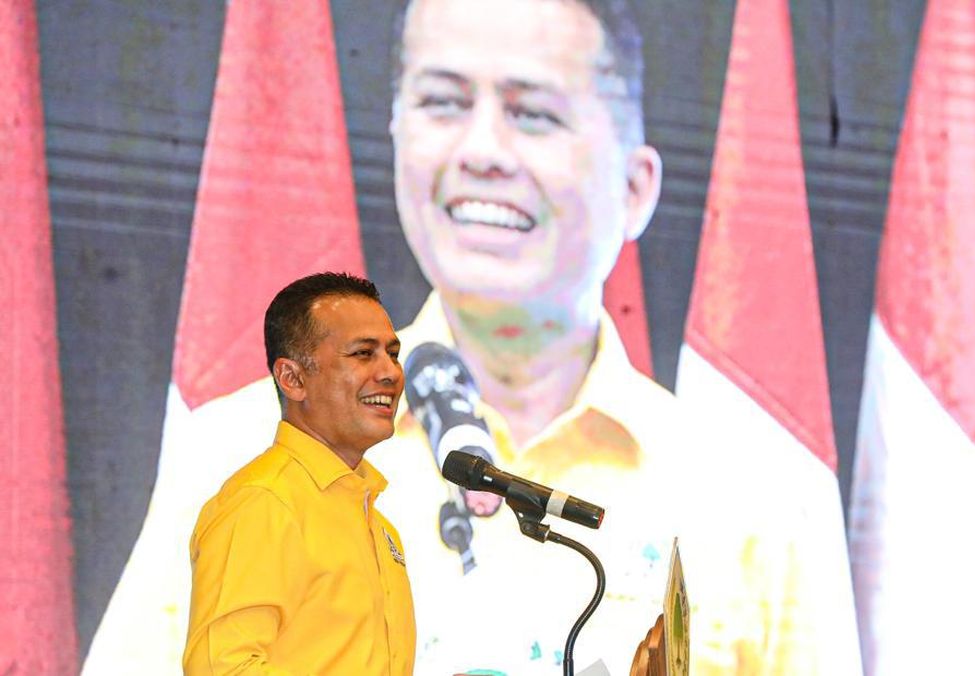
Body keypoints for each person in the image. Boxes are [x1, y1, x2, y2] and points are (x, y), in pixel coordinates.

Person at [85, 1, 862, 673]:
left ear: (635, 188)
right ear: (397, 137)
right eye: (444, 102)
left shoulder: (750, 496)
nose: (481, 151)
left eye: (533, 113)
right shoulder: (244, 451)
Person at [183, 272, 416, 673]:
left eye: (392, 354)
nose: (390, 372)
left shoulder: (376, 523)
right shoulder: (264, 503)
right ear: (292, 379)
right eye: (363, 353)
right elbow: (223, 669)